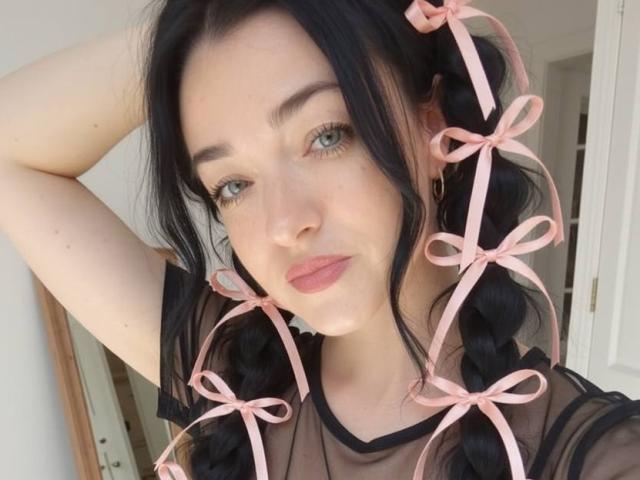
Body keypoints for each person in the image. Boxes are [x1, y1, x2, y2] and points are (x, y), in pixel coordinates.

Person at [0, 1, 638, 479]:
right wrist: (189, 23)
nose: (284, 224)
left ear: (435, 125)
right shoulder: (236, 385)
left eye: (326, 136)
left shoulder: (593, 456)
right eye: (233, 185)